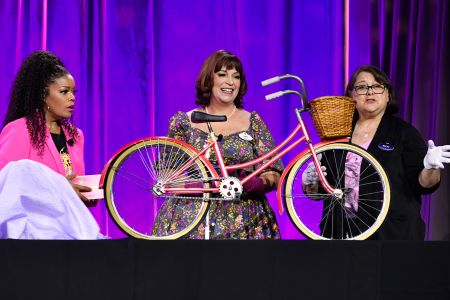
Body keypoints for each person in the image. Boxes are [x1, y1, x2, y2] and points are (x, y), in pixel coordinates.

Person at [302, 65, 450, 240]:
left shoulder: (404, 133)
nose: (370, 92)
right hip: (340, 235)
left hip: (391, 236)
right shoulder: (337, 134)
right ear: (351, 95)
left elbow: (424, 185)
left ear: (388, 96)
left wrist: (430, 168)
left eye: (378, 86)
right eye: (362, 87)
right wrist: (310, 183)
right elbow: (320, 192)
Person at [152, 50, 284, 239]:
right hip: (191, 220)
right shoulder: (185, 122)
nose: (230, 82)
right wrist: (203, 183)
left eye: (236, 76)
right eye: (222, 74)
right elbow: (167, 175)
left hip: (247, 221)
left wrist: (258, 183)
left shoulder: (253, 122)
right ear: (209, 79)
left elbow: (275, 172)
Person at [0, 50, 102, 239]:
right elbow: (7, 187)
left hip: (68, 230)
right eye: (64, 92)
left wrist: (89, 192)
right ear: (43, 95)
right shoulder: (19, 130)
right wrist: (60, 188)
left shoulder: (76, 135)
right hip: (32, 234)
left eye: (73, 92)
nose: (72, 98)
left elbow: (74, 186)